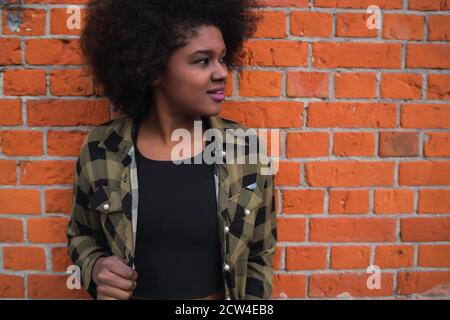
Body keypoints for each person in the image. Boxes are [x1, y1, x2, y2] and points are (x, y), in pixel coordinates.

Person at [66, 0, 277, 300]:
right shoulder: (101, 150)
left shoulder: (245, 151)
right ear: (153, 70)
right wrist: (95, 267)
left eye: (222, 59)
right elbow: (81, 234)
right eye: (202, 61)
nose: (221, 73)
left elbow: (259, 254)